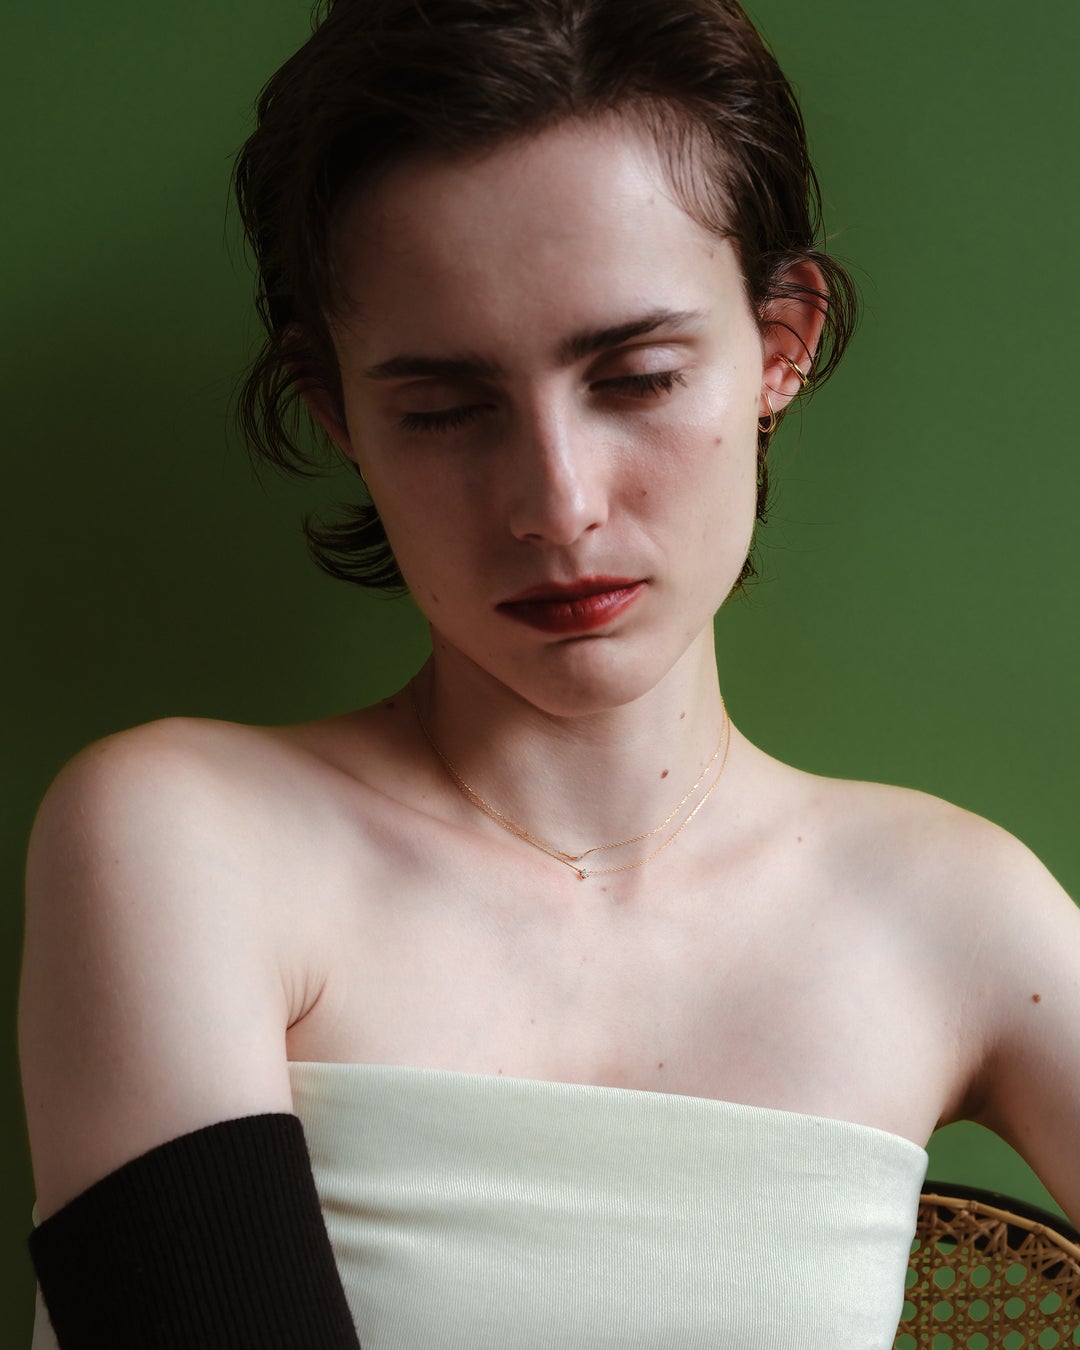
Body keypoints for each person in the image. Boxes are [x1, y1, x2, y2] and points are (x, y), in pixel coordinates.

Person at [19, 0, 1080, 1346]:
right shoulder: (187, 837)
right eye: (445, 410)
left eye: (636, 377)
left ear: (780, 344)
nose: (557, 505)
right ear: (337, 410)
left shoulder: (948, 912)